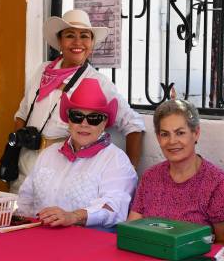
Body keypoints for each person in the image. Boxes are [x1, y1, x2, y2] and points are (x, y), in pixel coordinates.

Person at [10, 9, 145, 193]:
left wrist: (129, 171)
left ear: (91, 43)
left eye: (84, 36)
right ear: (59, 41)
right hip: (25, 163)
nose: (77, 42)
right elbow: (22, 114)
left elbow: (133, 124)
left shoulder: (98, 82)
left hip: (63, 166)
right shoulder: (42, 71)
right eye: (70, 35)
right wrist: (15, 149)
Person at [16, 78, 137, 230]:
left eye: (94, 118)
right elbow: (25, 199)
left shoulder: (116, 160)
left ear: (104, 122)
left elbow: (114, 208)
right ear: (68, 119)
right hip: (39, 237)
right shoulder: (48, 154)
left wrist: (73, 216)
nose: (84, 124)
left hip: (89, 246)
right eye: (77, 116)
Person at [128, 100, 224, 243]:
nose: (172, 141)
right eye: (165, 134)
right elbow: (131, 230)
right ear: (158, 137)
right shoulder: (150, 177)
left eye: (180, 133)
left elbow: (223, 243)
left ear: (196, 133)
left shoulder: (218, 184)